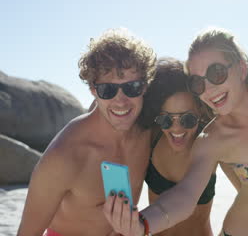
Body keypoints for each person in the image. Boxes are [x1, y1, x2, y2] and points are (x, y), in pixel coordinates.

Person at [104, 28, 248, 236]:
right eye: (198, 83)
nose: (209, 89)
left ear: (241, 69)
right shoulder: (211, 139)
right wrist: (142, 224)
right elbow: (186, 195)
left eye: (216, 73)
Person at [17, 28, 156, 236]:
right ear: (93, 90)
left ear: (145, 86)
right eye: (107, 90)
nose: (120, 100)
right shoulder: (64, 156)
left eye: (132, 87)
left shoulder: (148, 131)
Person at [136, 57, 216, 236]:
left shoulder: (212, 141)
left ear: (200, 111)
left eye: (188, 119)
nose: (176, 128)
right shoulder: (150, 138)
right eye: (166, 119)